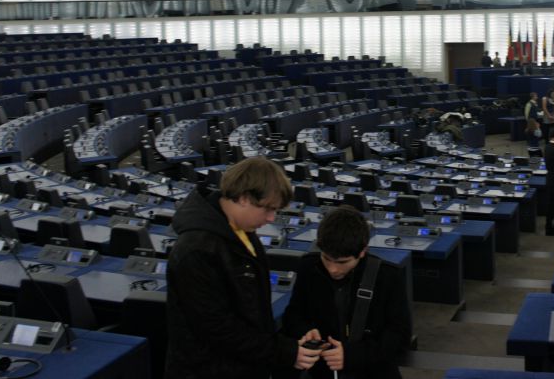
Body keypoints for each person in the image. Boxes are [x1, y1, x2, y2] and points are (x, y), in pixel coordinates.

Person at [165, 156, 315, 379]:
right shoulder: (196, 250)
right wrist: (283, 351)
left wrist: (286, 343)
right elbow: (218, 328)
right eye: (268, 209)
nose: (271, 218)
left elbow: (251, 311)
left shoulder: (242, 232)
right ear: (244, 198)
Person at [282, 206, 412, 379]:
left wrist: (352, 355)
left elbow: (400, 336)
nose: (333, 269)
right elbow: (293, 316)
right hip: (322, 372)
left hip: (374, 372)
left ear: (362, 251)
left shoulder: (387, 277)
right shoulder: (308, 267)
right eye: (326, 258)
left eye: (342, 262)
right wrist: (306, 331)